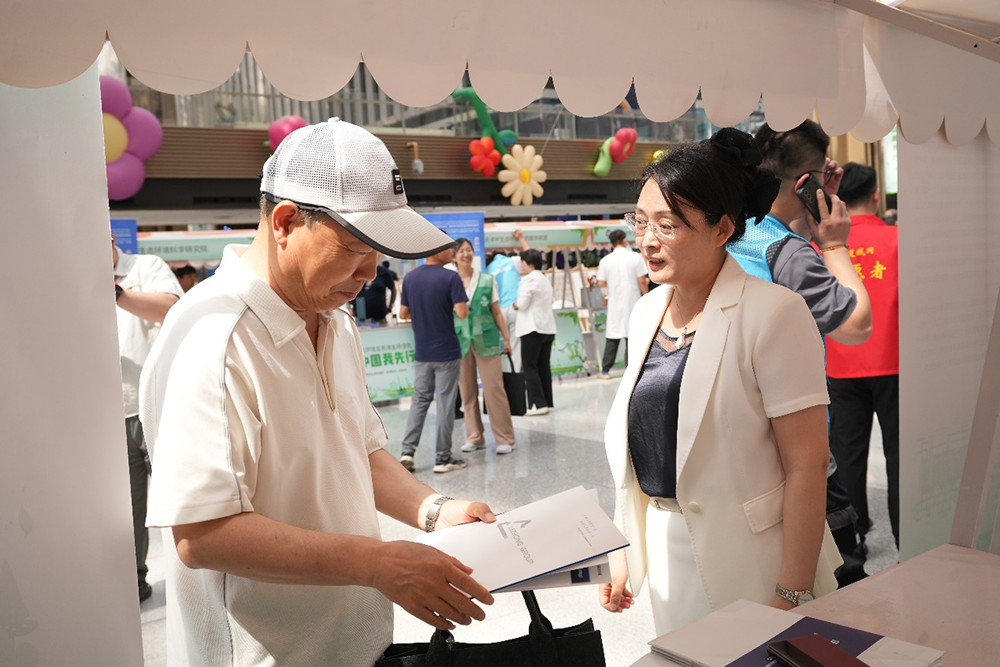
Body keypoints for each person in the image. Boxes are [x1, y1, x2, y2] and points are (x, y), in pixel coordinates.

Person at [139, 119, 496, 667]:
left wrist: (434, 510)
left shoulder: (334, 319)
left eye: (379, 252)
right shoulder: (213, 339)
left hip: (357, 646)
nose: (371, 272)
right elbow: (202, 534)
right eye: (354, 248)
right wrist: (376, 563)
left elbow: (359, 450)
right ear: (285, 222)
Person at [600, 128, 841, 635]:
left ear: (722, 229)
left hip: (755, 561)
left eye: (667, 225)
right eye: (640, 221)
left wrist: (791, 591)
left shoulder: (773, 313)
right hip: (667, 553)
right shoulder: (646, 312)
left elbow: (807, 465)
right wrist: (622, 550)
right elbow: (643, 445)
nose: (647, 239)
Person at [728, 119, 872, 586]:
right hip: (801, 453)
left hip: (739, 449)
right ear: (806, 183)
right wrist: (835, 244)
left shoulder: (727, 233)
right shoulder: (787, 251)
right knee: (836, 582)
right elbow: (856, 325)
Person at [826, 163, 900, 549]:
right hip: (895, 362)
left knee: (847, 456)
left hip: (841, 364)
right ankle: (909, 538)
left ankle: (854, 536)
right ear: (875, 195)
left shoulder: (825, 246)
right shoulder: (898, 239)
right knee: (900, 455)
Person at [113, 234, 184, 603]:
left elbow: (172, 308)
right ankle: (135, 581)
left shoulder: (145, 267)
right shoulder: (75, 283)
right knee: (129, 508)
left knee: (178, 497)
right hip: (111, 414)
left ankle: (196, 578)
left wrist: (115, 292)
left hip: (155, 406)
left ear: (110, 239)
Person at [398, 241, 470, 473]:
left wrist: (424, 312)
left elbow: (403, 313)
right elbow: (462, 312)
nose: (452, 252)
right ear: (437, 250)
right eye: (450, 249)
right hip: (446, 351)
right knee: (446, 403)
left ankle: (407, 453)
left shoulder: (410, 278)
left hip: (422, 352)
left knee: (420, 401)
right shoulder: (451, 278)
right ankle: (443, 457)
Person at [451, 238, 516, 456]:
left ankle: (505, 438)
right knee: (467, 392)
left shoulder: (487, 280)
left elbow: (496, 311)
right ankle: (475, 437)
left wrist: (506, 339)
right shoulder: (451, 281)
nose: (466, 254)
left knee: (494, 390)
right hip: (461, 341)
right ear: (454, 256)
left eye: (469, 250)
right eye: (461, 251)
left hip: (487, 340)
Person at [597, 228, 649, 378]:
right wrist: (646, 296)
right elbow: (642, 280)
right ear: (625, 240)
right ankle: (630, 370)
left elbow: (600, 283)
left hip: (614, 302)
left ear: (611, 242)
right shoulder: (635, 258)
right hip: (634, 301)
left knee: (613, 337)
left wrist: (606, 295)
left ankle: (605, 370)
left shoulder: (605, 260)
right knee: (631, 336)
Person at [514, 248, 557, 416]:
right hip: (547, 328)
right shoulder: (544, 279)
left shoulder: (529, 279)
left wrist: (515, 304)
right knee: (543, 366)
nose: (522, 266)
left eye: (523, 263)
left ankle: (538, 404)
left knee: (530, 366)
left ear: (529, 263)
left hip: (532, 328)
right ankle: (546, 401)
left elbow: (523, 304)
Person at [486, 228, 531, 372]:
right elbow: (530, 257)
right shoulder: (512, 261)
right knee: (516, 345)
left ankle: (503, 373)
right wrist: (521, 239)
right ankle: (516, 374)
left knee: (502, 345)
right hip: (514, 308)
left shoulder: (488, 269)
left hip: (498, 312)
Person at [353, 260, 397, 325]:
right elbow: (346, 288)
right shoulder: (357, 271)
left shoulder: (383, 272)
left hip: (379, 315)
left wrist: (390, 306)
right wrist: (349, 307)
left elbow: (393, 290)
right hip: (361, 314)